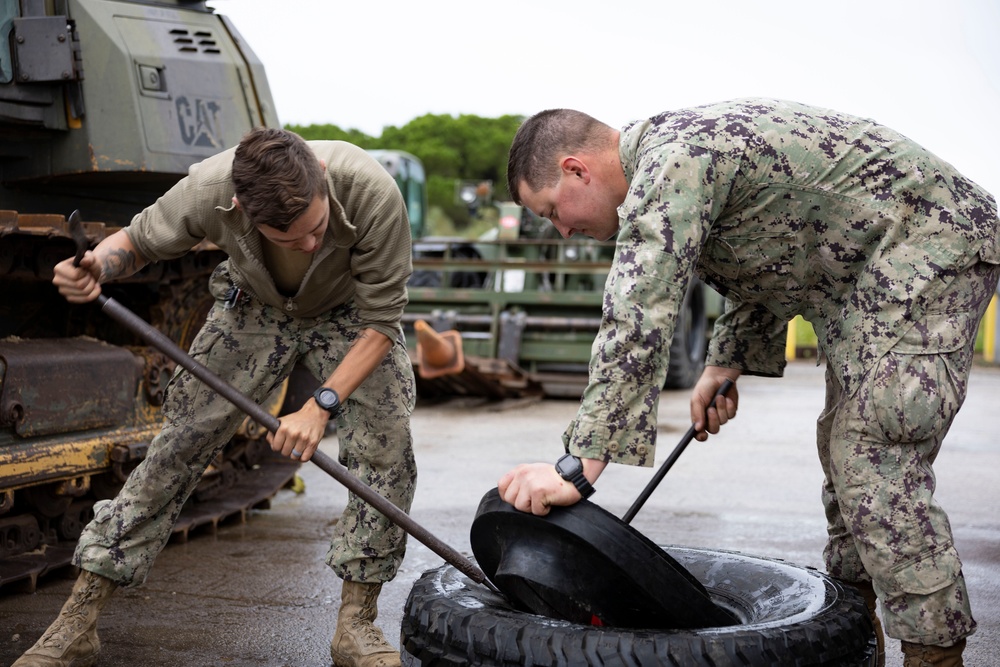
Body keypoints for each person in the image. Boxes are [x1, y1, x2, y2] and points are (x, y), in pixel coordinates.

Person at [497, 98, 999, 667]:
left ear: (575, 169)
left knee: (870, 452)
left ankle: (934, 654)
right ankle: (855, 638)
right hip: (876, 271)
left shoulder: (671, 164)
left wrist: (578, 468)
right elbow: (772, 247)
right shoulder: (674, 158)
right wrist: (726, 361)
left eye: (550, 211)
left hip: (930, 245)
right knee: (845, 454)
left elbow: (638, 316)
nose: (561, 231)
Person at [15, 128, 416, 667]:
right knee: (176, 447)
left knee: (386, 450)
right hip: (252, 306)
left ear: (322, 176)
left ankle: (356, 627)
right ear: (241, 210)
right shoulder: (208, 188)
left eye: (318, 228)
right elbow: (134, 243)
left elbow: (382, 321)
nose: (310, 244)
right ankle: (77, 622)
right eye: (289, 237)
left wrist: (319, 405)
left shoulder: (372, 192)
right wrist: (95, 267)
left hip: (352, 316)